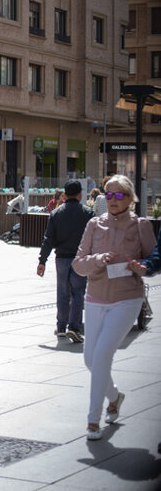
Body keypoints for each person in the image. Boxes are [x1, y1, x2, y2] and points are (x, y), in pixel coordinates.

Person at [72, 175, 156, 441]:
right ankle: (115, 396)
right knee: (89, 360)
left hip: (126, 299)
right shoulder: (94, 224)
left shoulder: (141, 225)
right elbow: (78, 263)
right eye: (108, 195)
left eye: (119, 195)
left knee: (102, 356)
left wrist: (141, 267)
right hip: (95, 296)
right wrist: (97, 260)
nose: (113, 200)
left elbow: (153, 260)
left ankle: (92, 420)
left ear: (131, 199)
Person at [37, 180, 94, 343]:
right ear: (80, 194)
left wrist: (42, 260)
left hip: (61, 258)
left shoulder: (56, 214)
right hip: (79, 259)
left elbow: (48, 239)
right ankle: (74, 328)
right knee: (78, 293)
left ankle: (61, 326)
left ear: (65, 194)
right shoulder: (88, 213)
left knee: (62, 292)